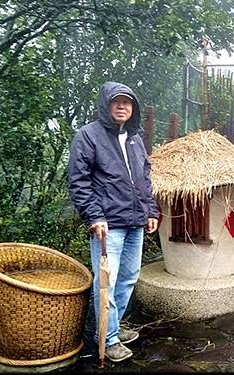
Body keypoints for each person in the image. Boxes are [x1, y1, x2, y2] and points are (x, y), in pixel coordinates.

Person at [68, 81, 159, 362]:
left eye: (128, 103)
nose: (122, 107)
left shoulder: (135, 139)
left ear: (134, 108)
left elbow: (144, 179)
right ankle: (106, 339)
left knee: (129, 278)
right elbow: (78, 180)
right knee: (106, 281)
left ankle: (113, 329)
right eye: (117, 102)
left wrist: (151, 211)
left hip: (135, 221)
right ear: (106, 106)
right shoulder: (88, 135)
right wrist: (94, 215)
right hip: (108, 224)